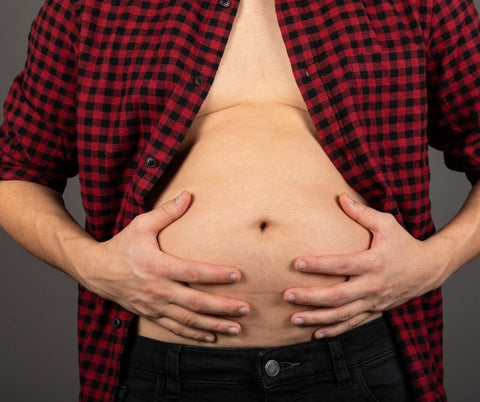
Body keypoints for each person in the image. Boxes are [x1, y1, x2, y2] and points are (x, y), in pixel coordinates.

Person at [1, 0, 479, 400]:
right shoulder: (91, 6)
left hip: (360, 356)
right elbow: (14, 169)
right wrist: (90, 264)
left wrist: (433, 262)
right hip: (165, 365)